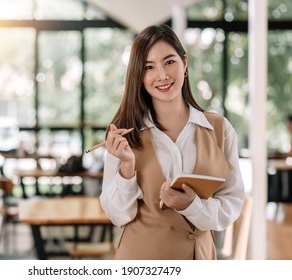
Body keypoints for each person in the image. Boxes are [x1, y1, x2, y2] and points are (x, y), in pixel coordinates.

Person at [99, 24, 245, 260]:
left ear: (184, 63)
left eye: (169, 62)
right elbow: (118, 216)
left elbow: (232, 202)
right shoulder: (125, 136)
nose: (162, 75)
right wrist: (127, 167)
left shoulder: (220, 130)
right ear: (139, 76)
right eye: (149, 67)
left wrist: (192, 206)